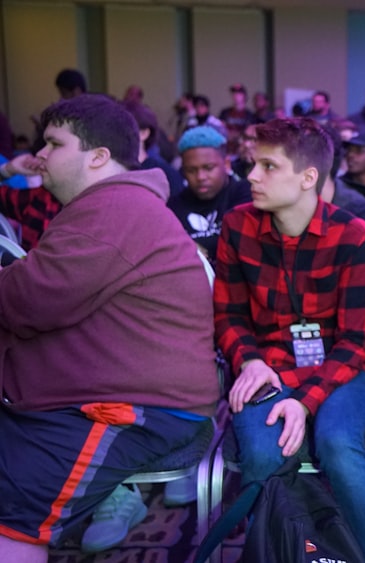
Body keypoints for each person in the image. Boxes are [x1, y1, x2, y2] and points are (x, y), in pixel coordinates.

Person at [0, 94, 218, 559]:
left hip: (134, 406)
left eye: (53, 143)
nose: (39, 155)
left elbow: (26, 302)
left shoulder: (113, 209)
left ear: (99, 157)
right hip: (106, 391)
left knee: (11, 518)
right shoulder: (112, 204)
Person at [213, 117, 365, 563]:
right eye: (253, 164)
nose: (251, 176)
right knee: (262, 455)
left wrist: (305, 400)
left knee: (338, 446)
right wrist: (249, 361)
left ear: (308, 177)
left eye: (268, 166)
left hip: (337, 371)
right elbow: (229, 315)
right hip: (266, 367)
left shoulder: (353, 236)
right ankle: (287, 553)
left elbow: (356, 342)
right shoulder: (237, 226)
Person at [168, 125, 251, 261]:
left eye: (208, 168)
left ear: (226, 164)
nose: (200, 177)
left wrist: (188, 248)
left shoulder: (244, 193)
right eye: (191, 170)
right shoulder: (174, 207)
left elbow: (240, 243)